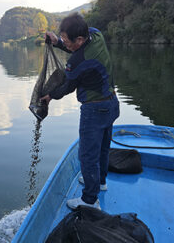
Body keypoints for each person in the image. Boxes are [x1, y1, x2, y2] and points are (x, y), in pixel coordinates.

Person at [41, 13, 119, 210]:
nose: (65, 44)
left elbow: (67, 86)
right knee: (102, 147)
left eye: (67, 40)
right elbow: (75, 47)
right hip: (112, 105)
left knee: (87, 155)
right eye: (63, 38)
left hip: (94, 110)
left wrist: (49, 96)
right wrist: (57, 41)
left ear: (80, 39)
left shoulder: (77, 62)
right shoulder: (96, 35)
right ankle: (100, 182)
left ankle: (90, 200)